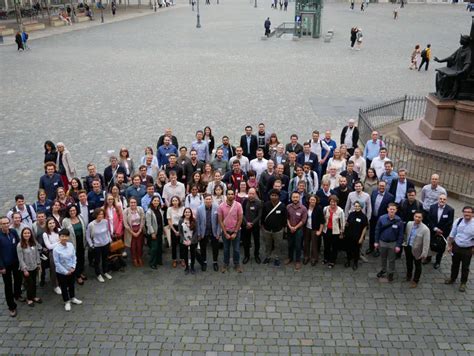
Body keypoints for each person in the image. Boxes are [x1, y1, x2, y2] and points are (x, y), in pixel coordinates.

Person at [445, 206, 474, 292]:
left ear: (472, 214)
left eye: (469, 212)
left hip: (468, 249)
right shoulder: (458, 221)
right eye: (465, 212)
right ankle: (452, 278)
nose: (467, 214)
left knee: (465, 267)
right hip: (456, 247)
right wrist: (449, 245)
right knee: (455, 264)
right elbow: (452, 234)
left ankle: (463, 283)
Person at [0, 216, 24, 317]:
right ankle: (12, 307)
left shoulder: (13, 232)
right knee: (8, 285)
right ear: (0, 225)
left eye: (7, 223)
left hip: (16, 262)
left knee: (18, 279)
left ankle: (17, 294)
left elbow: (19, 244)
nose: (5, 225)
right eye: (3, 223)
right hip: (5, 265)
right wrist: (1, 267)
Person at [53, 229, 82, 311]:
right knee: (64, 287)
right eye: (62, 236)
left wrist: (73, 267)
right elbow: (57, 263)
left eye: (66, 236)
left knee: (71, 285)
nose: (64, 238)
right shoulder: (56, 249)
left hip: (71, 269)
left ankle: (73, 298)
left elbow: (74, 257)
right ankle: (66, 301)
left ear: (68, 237)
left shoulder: (70, 245)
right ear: (59, 237)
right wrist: (65, 272)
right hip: (62, 272)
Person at [374, 203, 404, 282]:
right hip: (382, 242)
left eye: (394, 209)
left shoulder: (399, 221)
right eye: (390, 209)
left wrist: (398, 245)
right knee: (383, 258)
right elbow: (377, 230)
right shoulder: (381, 218)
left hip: (393, 243)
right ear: (387, 209)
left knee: (391, 259)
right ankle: (383, 269)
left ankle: (391, 273)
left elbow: (401, 235)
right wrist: (376, 241)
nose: (392, 211)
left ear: (396, 210)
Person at [218, 189, 243, 273]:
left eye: (232, 194)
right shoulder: (221, 206)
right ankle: (225, 264)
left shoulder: (238, 205)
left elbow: (240, 219)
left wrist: (235, 232)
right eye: (228, 194)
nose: (230, 196)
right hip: (226, 231)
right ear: (226, 195)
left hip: (236, 231)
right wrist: (225, 233)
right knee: (226, 249)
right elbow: (220, 221)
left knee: (236, 249)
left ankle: (236, 264)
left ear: (234, 196)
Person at [426, 194, 454, 269]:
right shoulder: (432, 207)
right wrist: (435, 228)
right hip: (433, 231)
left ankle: (438, 261)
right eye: (440, 199)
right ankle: (428, 258)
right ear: (438, 199)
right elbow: (429, 219)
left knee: (441, 247)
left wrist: (441, 231)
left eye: (444, 199)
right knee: (430, 244)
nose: (442, 200)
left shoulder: (450, 210)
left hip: (443, 232)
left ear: (446, 200)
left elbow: (450, 222)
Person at [403, 211, 430, 288]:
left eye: (419, 217)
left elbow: (426, 243)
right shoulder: (409, 224)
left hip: (418, 250)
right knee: (408, 262)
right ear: (413, 217)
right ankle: (408, 275)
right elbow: (406, 234)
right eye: (416, 216)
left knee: (418, 265)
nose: (417, 218)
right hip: (408, 247)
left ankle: (415, 280)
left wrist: (424, 254)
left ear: (422, 218)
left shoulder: (425, 229)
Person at [367, 181, 394, 257]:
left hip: (382, 219)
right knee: (372, 233)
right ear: (377, 186)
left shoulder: (390, 197)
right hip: (373, 217)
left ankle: (377, 249)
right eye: (380, 185)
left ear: (386, 186)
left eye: (383, 186)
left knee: (379, 234)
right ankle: (371, 247)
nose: (381, 187)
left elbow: (389, 209)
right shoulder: (374, 193)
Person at [62, 205, 87, 285]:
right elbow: (64, 233)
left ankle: (80, 272)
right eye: (71, 211)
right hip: (72, 244)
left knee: (81, 258)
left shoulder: (80, 217)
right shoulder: (65, 221)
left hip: (81, 242)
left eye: (74, 210)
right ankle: (77, 276)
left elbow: (84, 228)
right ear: (68, 212)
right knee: (74, 260)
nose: (73, 212)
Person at [17, 228, 41, 307]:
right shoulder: (20, 245)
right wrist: (24, 269)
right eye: (25, 233)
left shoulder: (33, 242)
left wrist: (38, 264)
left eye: (28, 233)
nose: (27, 234)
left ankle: (33, 296)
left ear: (31, 234)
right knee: (29, 284)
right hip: (26, 269)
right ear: (22, 235)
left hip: (34, 267)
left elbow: (37, 253)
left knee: (34, 283)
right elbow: (20, 259)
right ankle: (29, 298)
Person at [197, 194, 220, 272]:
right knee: (203, 248)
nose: (208, 201)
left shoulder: (217, 207)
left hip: (214, 232)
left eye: (210, 199)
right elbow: (198, 222)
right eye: (206, 199)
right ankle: (204, 262)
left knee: (215, 248)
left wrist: (218, 233)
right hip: (204, 232)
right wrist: (199, 234)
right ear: (204, 200)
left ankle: (215, 262)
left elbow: (219, 221)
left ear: (212, 200)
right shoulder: (199, 209)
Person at [285, 191, 308, 271]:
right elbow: (287, 218)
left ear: (299, 198)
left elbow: (303, 221)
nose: (295, 199)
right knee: (290, 244)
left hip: (299, 230)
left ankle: (298, 261)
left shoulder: (303, 208)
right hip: (289, 228)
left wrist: (295, 227)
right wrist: (290, 227)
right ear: (291, 198)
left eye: (296, 197)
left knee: (298, 246)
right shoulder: (288, 207)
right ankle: (290, 258)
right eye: (293, 197)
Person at [322, 195, 345, 268]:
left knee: (334, 247)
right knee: (326, 246)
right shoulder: (325, 208)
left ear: (337, 202)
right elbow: (323, 219)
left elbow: (342, 222)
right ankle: (326, 258)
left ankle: (332, 261)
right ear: (329, 202)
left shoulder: (340, 211)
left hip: (336, 231)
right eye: (331, 202)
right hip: (326, 230)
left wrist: (342, 232)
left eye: (334, 202)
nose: (333, 203)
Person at [344, 201, 368, 270]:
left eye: (359, 206)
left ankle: (355, 263)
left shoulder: (363, 217)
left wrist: (361, 238)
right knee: (348, 249)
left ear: (361, 207)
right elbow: (348, 223)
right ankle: (348, 261)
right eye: (356, 206)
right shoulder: (351, 214)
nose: (357, 207)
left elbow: (364, 228)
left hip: (357, 237)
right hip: (349, 236)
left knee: (356, 250)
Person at [241, 188, 262, 264]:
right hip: (245, 225)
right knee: (246, 242)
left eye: (253, 194)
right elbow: (241, 213)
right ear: (248, 193)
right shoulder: (244, 201)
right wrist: (246, 223)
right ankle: (247, 256)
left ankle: (256, 255)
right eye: (250, 193)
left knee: (257, 241)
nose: (251, 195)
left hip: (255, 226)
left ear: (255, 194)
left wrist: (252, 223)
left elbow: (259, 215)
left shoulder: (259, 202)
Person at [123, 198, 145, 267]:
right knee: (133, 246)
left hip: (139, 229)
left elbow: (143, 219)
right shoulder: (126, 211)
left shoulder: (140, 209)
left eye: (134, 202)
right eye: (131, 202)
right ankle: (134, 259)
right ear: (129, 203)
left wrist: (140, 230)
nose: (133, 204)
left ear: (136, 203)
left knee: (139, 245)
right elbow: (125, 223)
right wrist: (132, 232)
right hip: (130, 231)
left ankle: (139, 257)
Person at [43, 217, 62, 294]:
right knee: (54, 269)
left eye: (53, 223)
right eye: (50, 223)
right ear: (47, 225)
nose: (52, 224)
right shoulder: (45, 234)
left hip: (61, 251)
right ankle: (55, 285)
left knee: (62, 267)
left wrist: (59, 242)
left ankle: (62, 282)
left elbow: (64, 241)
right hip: (53, 253)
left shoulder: (59, 230)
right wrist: (59, 242)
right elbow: (49, 246)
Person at [303, 195, 324, 266]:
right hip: (306, 228)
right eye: (311, 200)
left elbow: (322, 221)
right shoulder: (305, 207)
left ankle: (314, 258)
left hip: (315, 229)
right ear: (309, 200)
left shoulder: (319, 208)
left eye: (314, 200)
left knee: (314, 245)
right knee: (306, 243)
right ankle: (306, 257)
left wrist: (320, 231)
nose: (312, 201)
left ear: (316, 201)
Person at [146, 196, 164, 269]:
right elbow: (148, 224)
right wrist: (152, 233)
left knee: (159, 247)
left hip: (160, 231)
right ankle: (152, 263)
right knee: (154, 248)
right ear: (152, 202)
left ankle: (159, 260)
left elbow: (161, 221)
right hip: (154, 232)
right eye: (155, 200)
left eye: (157, 200)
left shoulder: (159, 210)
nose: (156, 202)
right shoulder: (149, 211)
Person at [179, 208, 199, 274]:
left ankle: (192, 267)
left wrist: (191, 241)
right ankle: (187, 267)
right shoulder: (181, 220)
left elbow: (196, 232)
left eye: (189, 212)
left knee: (193, 254)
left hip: (193, 241)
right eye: (186, 212)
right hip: (184, 241)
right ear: (184, 213)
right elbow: (180, 232)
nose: (187, 213)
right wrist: (183, 240)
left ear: (191, 213)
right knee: (185, 255)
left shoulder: (194, 220)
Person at [167, 196, 184, 268]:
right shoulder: (169, 209)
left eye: (176, 200)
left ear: (179, 201)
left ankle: (182, 259)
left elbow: (184, 218)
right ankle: (174, 260)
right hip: (173, 227)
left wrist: (180, 230)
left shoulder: (182, 208)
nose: (174, 202)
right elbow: (169, 221)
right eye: (173, 201)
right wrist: (174, 230)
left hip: (182, 227)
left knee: (182, 244)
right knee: (174, 245)